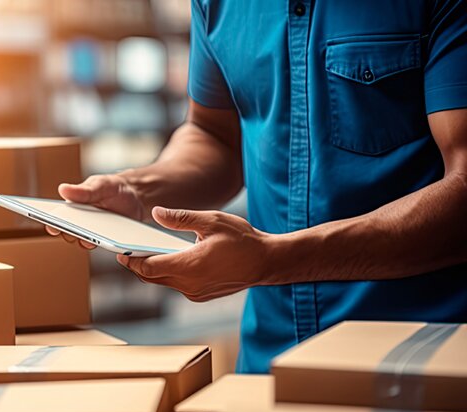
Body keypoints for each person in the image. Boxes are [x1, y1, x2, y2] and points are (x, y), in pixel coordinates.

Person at [49, 0, 467, 373]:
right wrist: (138, 190)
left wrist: (272, 261)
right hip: (271, 357)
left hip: (421, 355)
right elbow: (215, 136)